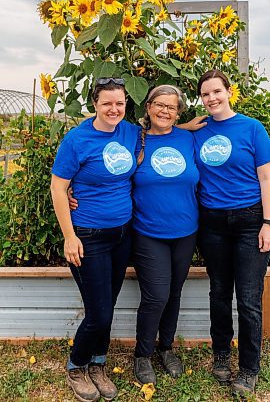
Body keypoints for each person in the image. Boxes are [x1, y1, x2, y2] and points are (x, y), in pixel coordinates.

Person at [51, 77, 138, 402]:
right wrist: (69, 236)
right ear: (95, 105)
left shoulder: (129, 132)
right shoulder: (78, 140)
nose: (114, 109)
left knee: (108, 304)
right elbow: (59, 187)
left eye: (120, 103)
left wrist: (189, 123)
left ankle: (98, 363)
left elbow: (162, 128)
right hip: (88, 237)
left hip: (122, 234)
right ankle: (76, 365)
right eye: (107, 103)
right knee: (99, 312)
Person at [192, 70, 270, 397]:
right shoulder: (198, 130)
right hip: (211, 223)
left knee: (248, 298)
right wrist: (187, 125)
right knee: (218, 293)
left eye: (217, 91)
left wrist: (268, 223)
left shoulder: (252, 128)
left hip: (250, 222)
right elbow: (162, 132)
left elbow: (267, 178)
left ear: (229, 92)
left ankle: (249, 367)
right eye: (205, 94)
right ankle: (221, 353)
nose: (212, 98)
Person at [131, 85, 199, 385]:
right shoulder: (135, 139)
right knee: (156, 295)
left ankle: (166, 348)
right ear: (148, 107)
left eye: (171, 107)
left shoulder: (187, 138)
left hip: (186, 231)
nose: (165, 111)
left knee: (173, 293)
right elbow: (102, 162)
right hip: (149, 232)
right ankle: (142, 354)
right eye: (159, 105)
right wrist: (71, 189)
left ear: (178, 111)